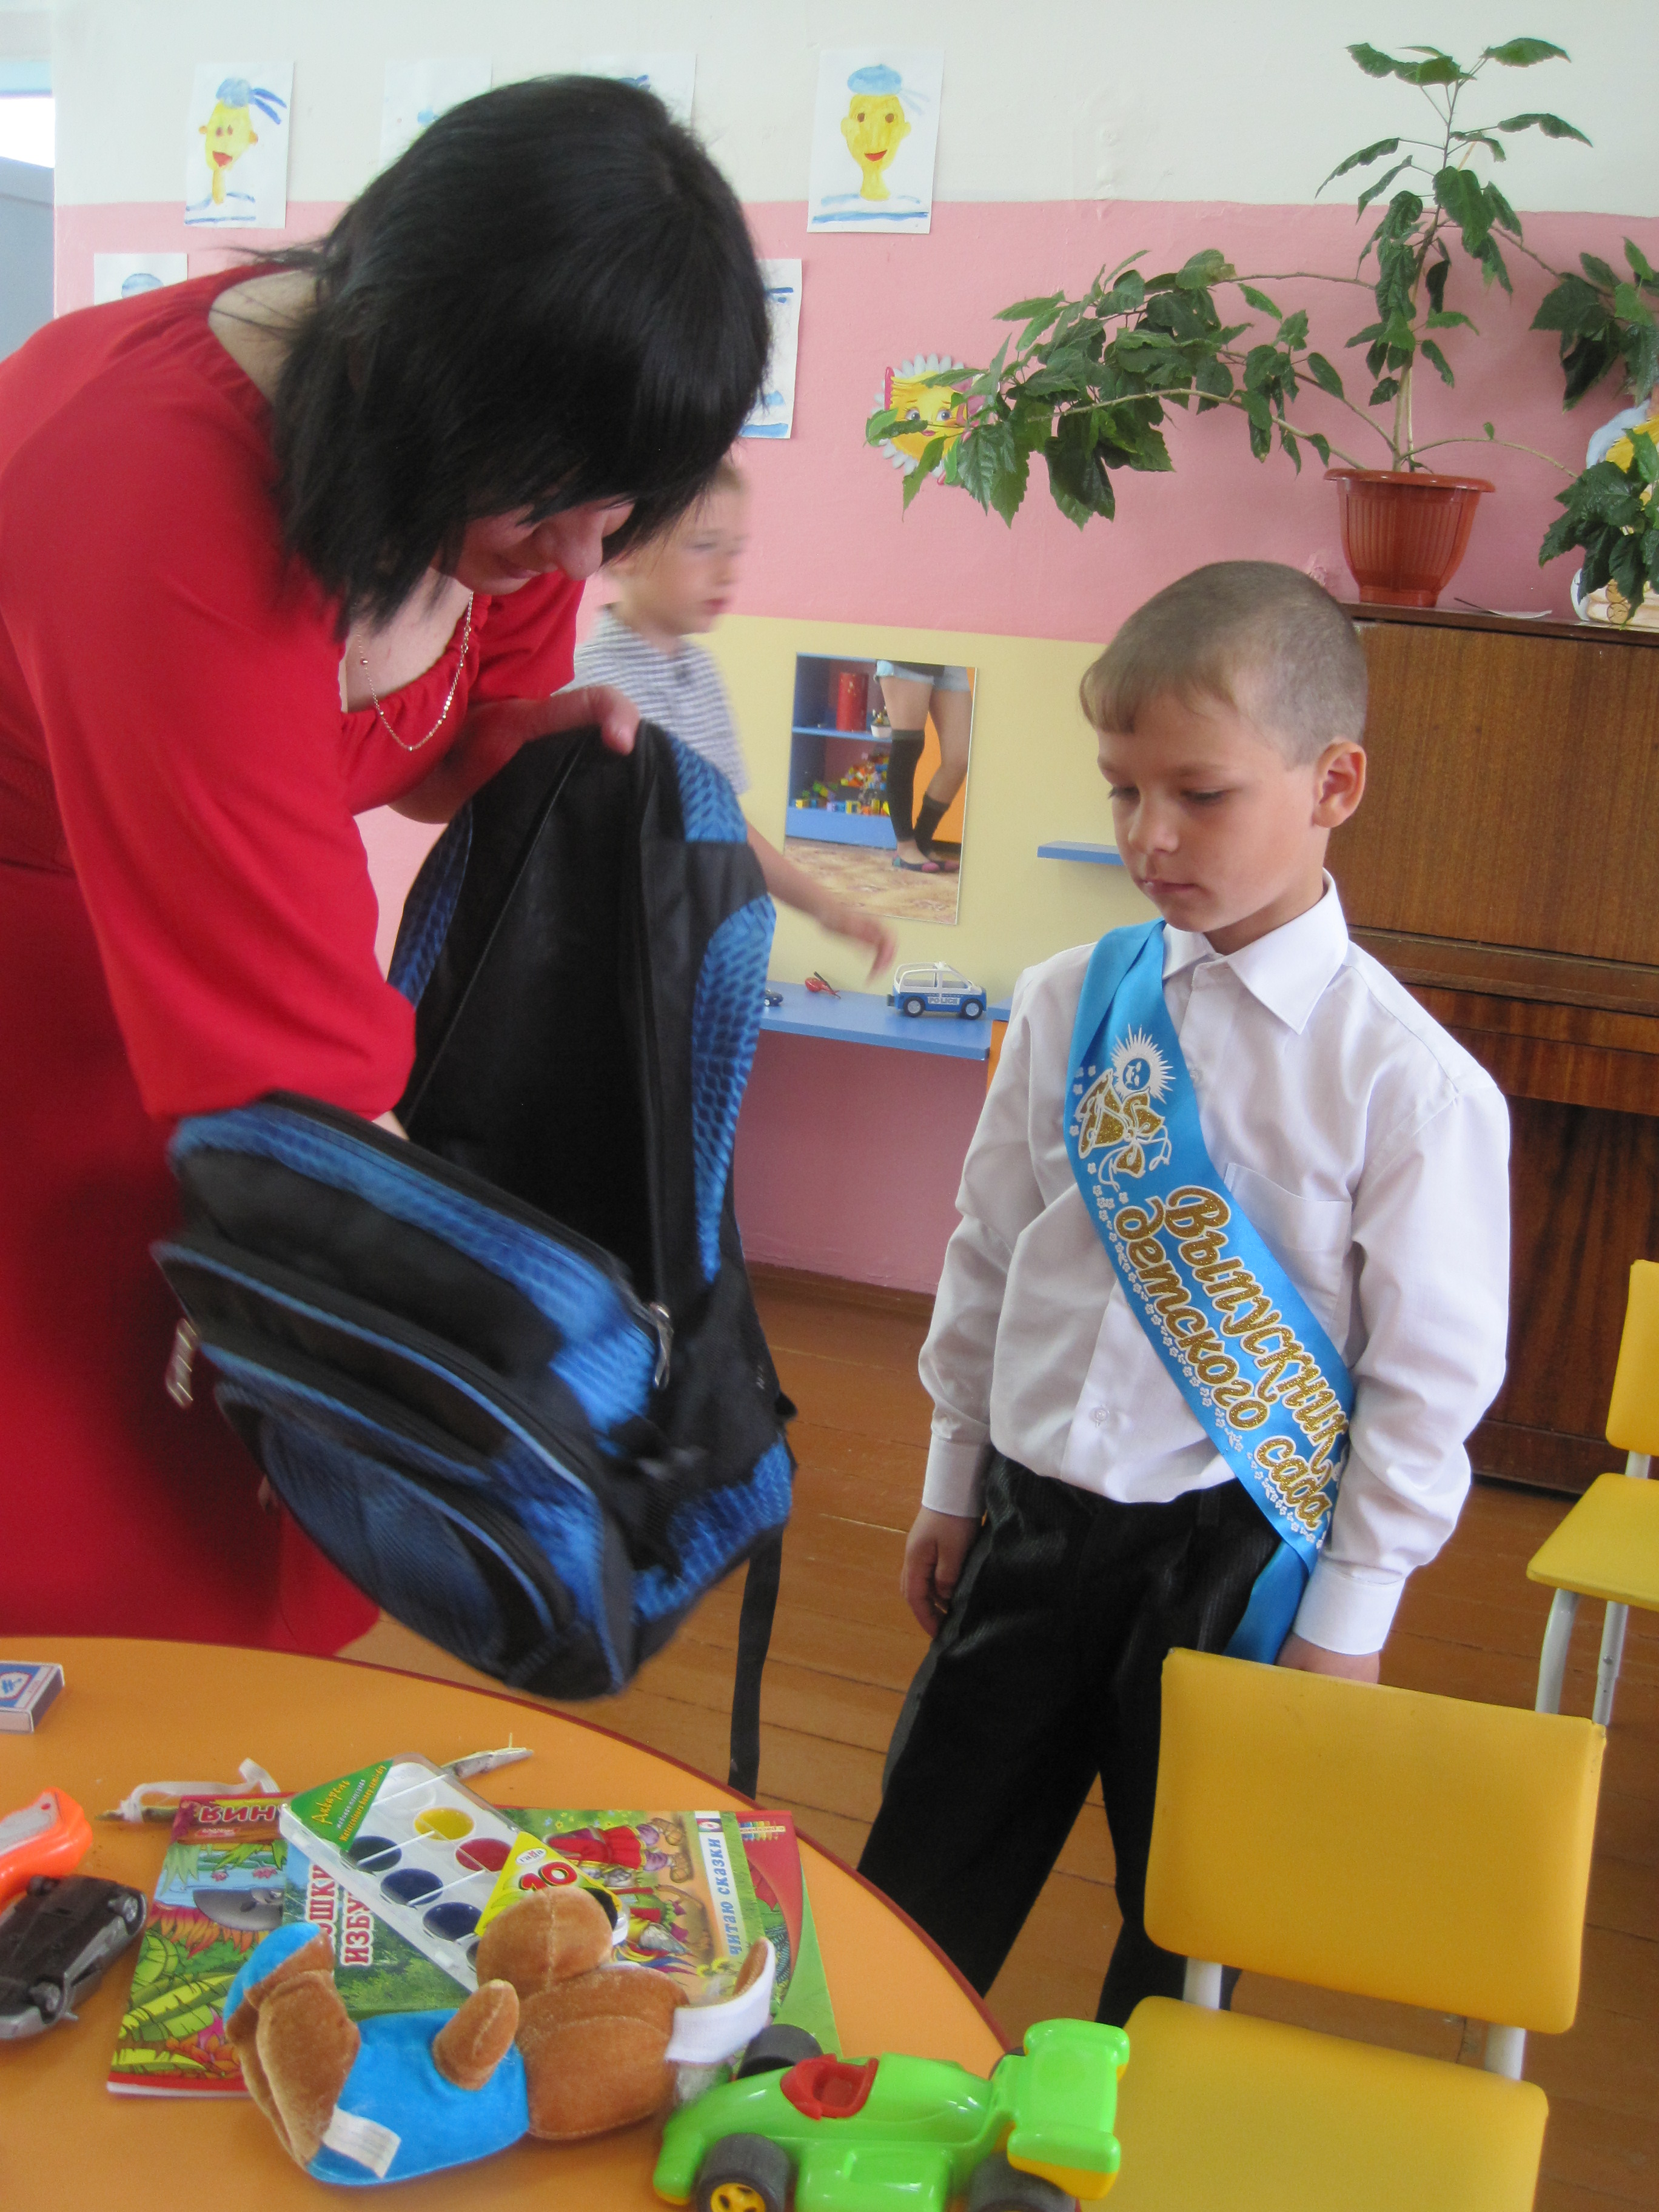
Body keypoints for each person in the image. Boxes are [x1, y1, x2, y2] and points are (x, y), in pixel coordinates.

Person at [0, 79, 769, 1652]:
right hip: (44, 1004)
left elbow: (435, 738)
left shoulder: (493, 469)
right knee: (106, 1567)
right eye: (553, 500)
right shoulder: (150, 498)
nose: (582, 559)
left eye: (626, 507)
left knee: (260, 1521)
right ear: (409, 375)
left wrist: (523, 756)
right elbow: (297, 1093)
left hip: (202, 991)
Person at [856, 562, 1510, 2025]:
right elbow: (989, 1248)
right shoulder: (1067, 1000)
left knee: (1186, 1936)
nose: (1149, 836)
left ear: (1332, 782)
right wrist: (952, 1476)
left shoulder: (1408, 1086)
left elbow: (1426, 1382)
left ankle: (1128, 2133)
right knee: (916, 1891)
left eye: (1199, 795)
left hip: (1237, 1561)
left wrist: (1351, 1613)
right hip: (1029, 1523)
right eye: (1122, 791)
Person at [574, 460, 897, 975]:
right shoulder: (590, 686)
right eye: (703, 546)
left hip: (684, 958)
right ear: (627, 551)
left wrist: (827, 909)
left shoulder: (700, 675)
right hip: (609, 958)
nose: (728, 572)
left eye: (735, 550)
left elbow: (727, 826)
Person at [874, 660, 972, 872]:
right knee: (908, 746)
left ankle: (921, 841)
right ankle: (905, 848)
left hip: (951, 655)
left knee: (959, 758)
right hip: (909, 653)